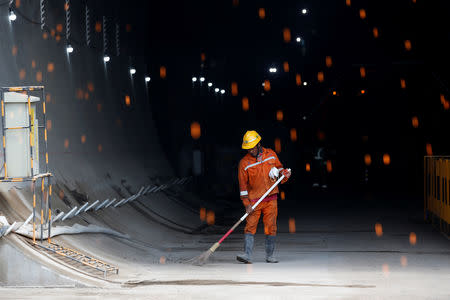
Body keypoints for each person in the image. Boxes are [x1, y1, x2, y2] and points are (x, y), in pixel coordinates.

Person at [236, 130, 291, 263]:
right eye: (248, 149)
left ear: (259, 144)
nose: (250, 151)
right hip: (254, 201)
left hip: (271, 199)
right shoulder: (244, 163)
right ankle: (247, 255)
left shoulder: (271, 155)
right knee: (250, 227)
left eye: (252, 148)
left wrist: (284, 174)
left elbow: (280, 171)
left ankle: (270, 256)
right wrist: (246, 204)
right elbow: (243, 188)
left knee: (271, 226)